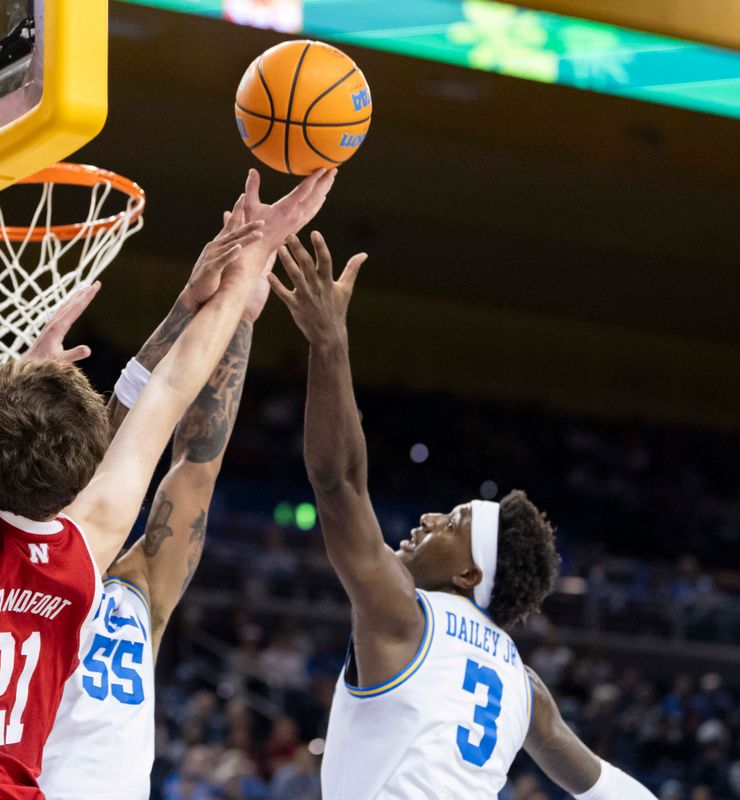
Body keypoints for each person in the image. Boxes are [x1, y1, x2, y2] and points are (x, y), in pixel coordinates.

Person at [0, 168, 336, 799]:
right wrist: (248, 269)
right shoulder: (89, 545)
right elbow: (169, 396)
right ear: (80, 480)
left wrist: (15, 370)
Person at [269, 232, 655, 799]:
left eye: (451, 524)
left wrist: (329, 343)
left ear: (469, 576)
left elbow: (338, 481)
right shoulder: (524, 689)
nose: (428, 519)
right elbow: (609, 788)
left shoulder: (405, 615)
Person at [40, 208, 269, 799]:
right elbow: (116, 444)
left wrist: (238, 312)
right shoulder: (35, 563)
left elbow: (198, 464)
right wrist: (208, 307)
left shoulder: (141, 584)